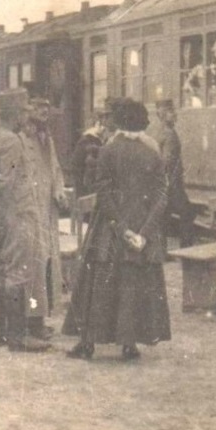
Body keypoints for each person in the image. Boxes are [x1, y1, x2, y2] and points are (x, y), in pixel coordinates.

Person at [62, 98, 171, 360]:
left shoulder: (110, 150)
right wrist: (143, 232)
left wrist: (122, 229)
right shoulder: (152, 151)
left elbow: (104, 193)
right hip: (144, 230)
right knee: (133, 284)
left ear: (119, 121)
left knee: (98, 284)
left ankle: (87, 343)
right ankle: (129, 344)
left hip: (110, 229)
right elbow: (161, 195)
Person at [0, 88, 51, 353]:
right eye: (23, 113)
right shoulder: (13, 141)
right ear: (15, 114)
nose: (25, 118)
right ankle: (17, 336)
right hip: (15, 215)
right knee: (19, 271)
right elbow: (7, 181)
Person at [20, 98, 69, 340]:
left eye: (46, 110)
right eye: (38, 109)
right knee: (32, 267)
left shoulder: (46, 140)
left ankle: (40, 317)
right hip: (30, 211)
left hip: (47, 210)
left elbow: (55, 169)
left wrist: (59, 189)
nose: (44, 114)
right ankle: (31, 322)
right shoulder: (21, 141)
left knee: (46, 265)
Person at [154, 99, 197, 249]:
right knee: (187, 213)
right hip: (172, 184)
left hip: (164, 183)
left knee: (163, 217)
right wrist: (170, 184)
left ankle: (162, 251)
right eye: (172, 112)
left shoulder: (160, 132)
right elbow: (168, 161)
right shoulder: (170, 134)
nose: (175, 114)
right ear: (164, 115)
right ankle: (187, 250)